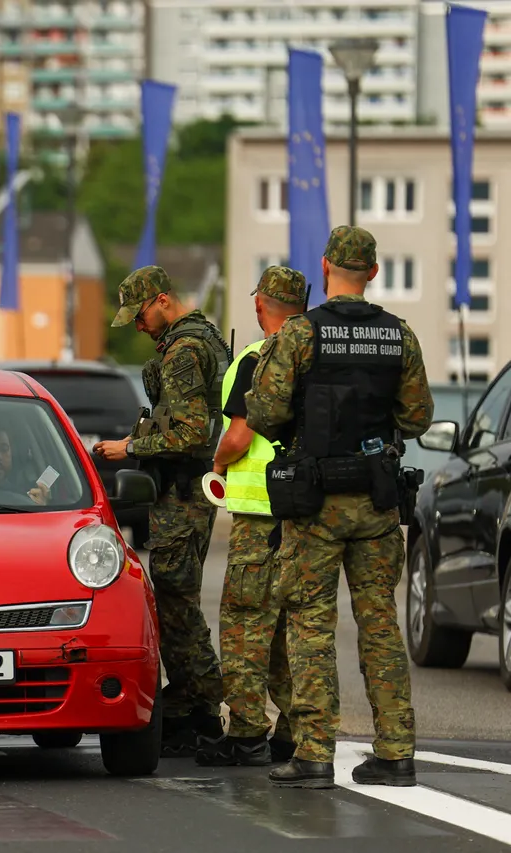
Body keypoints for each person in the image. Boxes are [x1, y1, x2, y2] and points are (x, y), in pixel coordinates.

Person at [245, 226, 433, 789]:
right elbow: (418, 418)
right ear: (373, 271)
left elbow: (266, 415)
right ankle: (396, 753)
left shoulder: (301, 334)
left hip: (315, 505)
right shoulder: (399, 337)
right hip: (375, 504)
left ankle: (314, 754)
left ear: (325, 266)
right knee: (380, 628)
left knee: (311, 627)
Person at [92, 265, 231, 756]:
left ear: (163, 301)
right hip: (188, 492)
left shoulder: (185, 350)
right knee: (176, 602)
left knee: (175, 607)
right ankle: (194, 704)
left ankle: (201, 709)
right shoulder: (202, 338)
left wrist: (131, 446)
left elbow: (192, 433)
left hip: (183, 493)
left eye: (141, 315)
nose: (139, 326)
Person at [195, 266, 305, 768]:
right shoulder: (320, 354)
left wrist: (217, 463)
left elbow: (239, 435)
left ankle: (245, 735)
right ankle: (295, 731)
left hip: (260, 513)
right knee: (297, 626)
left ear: (261, 304)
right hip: (308, 513)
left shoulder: (257, 358)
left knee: (244, 626)